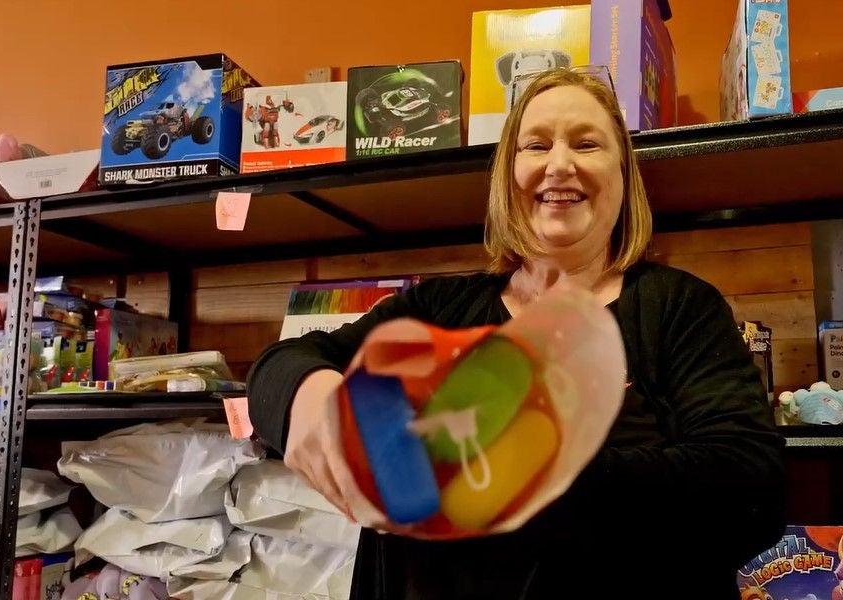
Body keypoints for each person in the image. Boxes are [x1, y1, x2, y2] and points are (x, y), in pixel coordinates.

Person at [247, 67, 787, 599]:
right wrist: (307, 396)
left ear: (624, 176)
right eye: (535, 146)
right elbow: (280, 364)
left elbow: (748, 485)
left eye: (586, 144)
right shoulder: (437, 307)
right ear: (508, 175)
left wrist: (529, 465)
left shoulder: (679, 307)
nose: (559, 165)